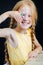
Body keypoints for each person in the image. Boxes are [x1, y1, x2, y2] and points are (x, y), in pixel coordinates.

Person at [0, 0, 42, 65]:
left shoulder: (30, 32)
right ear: (15, 15)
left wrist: (36, 51)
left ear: (33, 19)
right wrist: (8, 14)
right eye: (22, 14)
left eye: (29, 16)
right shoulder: (11, 33)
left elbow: (39, 47)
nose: (25, 18)